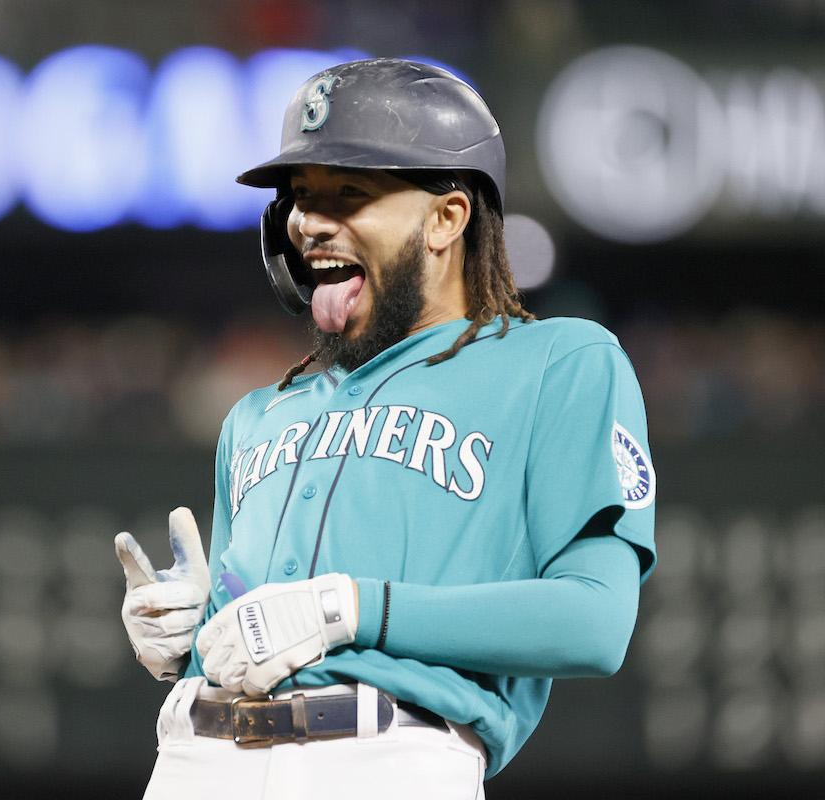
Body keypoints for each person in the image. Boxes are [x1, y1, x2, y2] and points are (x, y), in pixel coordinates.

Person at [114, 57, 656, 799]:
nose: (310, 222)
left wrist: (355, 608)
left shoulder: (557, 363)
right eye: (303, 197)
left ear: (447, 217)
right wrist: (188, 637)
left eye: (351, 194)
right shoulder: (258, 414)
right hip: (193, 754)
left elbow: (595, 622)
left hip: (381, 757)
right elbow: (267, 627)